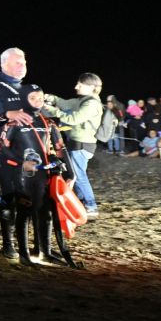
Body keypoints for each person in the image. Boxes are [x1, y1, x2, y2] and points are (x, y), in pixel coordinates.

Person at [0, 84, 67, 265]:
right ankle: (24, 254)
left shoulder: (49, 122)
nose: (38, 102)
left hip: (44, 175)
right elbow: (2, 149)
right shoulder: (14, 122)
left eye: (41, 98)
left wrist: (66, 168)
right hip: (23, 176)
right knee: (24, 213)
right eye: (33, 98)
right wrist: (22, 163)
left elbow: (59, 148)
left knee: (46, 214)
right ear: (23, 100)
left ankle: (45, 251)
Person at [0, 47, 31, 258]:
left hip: (30, 152)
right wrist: (6, 114)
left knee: (29, 196)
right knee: (9, 195)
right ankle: (8, 243)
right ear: (4, 65)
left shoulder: (28, 89)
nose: (22, 66)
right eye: (16, 62)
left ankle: (27, 244)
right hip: (5, 152)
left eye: (24, 62)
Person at [41, 72, 103, 218]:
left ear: (92, 87)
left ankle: (91, 206)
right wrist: (52, 98)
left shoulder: (91, 104)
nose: (76, 87)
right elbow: (66, 104)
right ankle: (82, 204)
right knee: (77, 175)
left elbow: (73, 118)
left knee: (78, 175)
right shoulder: (83, 100)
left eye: (80, 85)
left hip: (82, 145)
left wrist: (52, 110)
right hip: (78, 144)